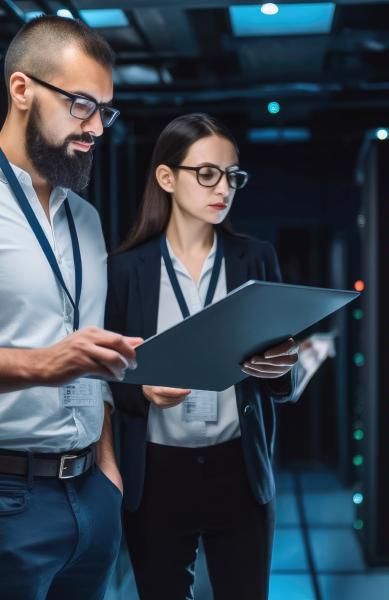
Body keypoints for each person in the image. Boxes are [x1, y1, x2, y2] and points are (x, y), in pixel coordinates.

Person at [106, 113, 299, 600]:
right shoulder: (126, 270)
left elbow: (280, 381)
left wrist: (281, 369)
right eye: (208, 173)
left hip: (239, 468)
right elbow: (104, 376)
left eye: (233, 175)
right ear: (167, 177)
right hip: (156, 472)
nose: (224, 188)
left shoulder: (255, 258)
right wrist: (141, 389)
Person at [0, 16, 142, 600]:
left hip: (90, 492)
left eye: (105, 111)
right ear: (22, 90)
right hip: (9, 498)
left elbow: (85, 349)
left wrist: (106, 468)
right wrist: (41, 365)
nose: (97, 129)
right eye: (82, 105)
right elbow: (58, 358)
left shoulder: (86, 218)